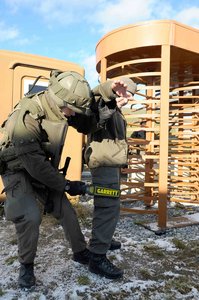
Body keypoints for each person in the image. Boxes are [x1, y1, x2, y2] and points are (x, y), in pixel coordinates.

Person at [69, 77, 137, 279]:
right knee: (107, 206)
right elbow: (99, 94)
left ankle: (102, 240)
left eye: (130, 95)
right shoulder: (102, 100)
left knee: (110, 205)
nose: (127, 98)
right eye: (126, 93)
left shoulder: (116, 108)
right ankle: (97, 257)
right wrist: (110, 91)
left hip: (111, 161)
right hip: (104, 161)